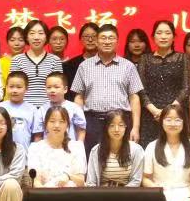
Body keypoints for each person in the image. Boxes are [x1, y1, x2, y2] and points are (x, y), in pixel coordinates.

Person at [72, 23, 144, 151]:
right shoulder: (84, 66)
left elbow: (134, 98)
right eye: (103, 38)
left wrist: (136, 127)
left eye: (111, 38)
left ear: (117, 42)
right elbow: (79, 97)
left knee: (120, 158)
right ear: (97, 41)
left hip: (120, 121)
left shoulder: (128, 66)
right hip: (92, 122)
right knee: (92, 158)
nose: (107, 41)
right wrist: (79, 125)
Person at [143, 104, 190, 201]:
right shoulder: (152, 146)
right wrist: (159, 191)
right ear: (161, 122)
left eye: (177, 120)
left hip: (185, 193)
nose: (173, 123)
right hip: (161, 193)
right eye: (168, 119)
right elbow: (145, 178)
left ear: (184, 122)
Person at [137, 20, 190, 146]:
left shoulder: (183, 58)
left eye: (167, 33)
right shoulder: (144, 59)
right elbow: (140, 89)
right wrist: (155, 111)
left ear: (174, 37)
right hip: (151, 115)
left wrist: (169, 111)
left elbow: (186, 88)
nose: (163, 36)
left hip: (176, 114)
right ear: (153, 37)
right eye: (159, 33)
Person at [28, 106, 86, 187]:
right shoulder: (35, 148)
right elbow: (35, 181)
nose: (57, 125)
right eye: (52, 121)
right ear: (45, 124)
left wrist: (68, 176)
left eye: (61, 121)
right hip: (44, 192)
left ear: (67, 125)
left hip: (71, 193)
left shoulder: (77, 147)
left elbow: (81, 182)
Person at [86, 109, 145, 187]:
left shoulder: (136, 150)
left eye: (121, 125)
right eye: (112, 125)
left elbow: (136, 181)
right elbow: (91, 182)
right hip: (102, 192)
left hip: (128, 192)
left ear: (126, 127)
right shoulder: (96, 151)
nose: (116, 130)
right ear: (106, 128)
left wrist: (121, 193)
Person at [12, 19, 63, 107]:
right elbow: (13, 87)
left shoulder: (55, 60)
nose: (36, 37)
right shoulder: (17, 60)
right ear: (26, 37)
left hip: (49, 109)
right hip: (23, 108)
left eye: (40, 33)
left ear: (46, 37)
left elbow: (58, 89)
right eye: (32, 33)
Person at [0, 72, 42, 149]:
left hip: (25, 152)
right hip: (3, 152)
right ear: (6, 87)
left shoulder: (33, 110)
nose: (14, 90)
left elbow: (37, 135)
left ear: (26, 89)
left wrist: (35, 152)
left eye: (19, 87)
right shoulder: (0, 107)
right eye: (11, 87)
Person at [42, 71, 86, 142]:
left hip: (69, 147)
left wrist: (79, 145)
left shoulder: (74, 108)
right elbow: (38, 134)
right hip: (48, 147)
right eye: (49, 87)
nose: (52, 90)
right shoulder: (42, 109)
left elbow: (81, 130)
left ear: (65, 89)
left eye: (56, 87)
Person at [63, 22, 100, 99]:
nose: (90, 40)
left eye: (94, 36)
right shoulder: (70, 65)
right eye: (86, 36)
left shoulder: (106, 62)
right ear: (80, 39)